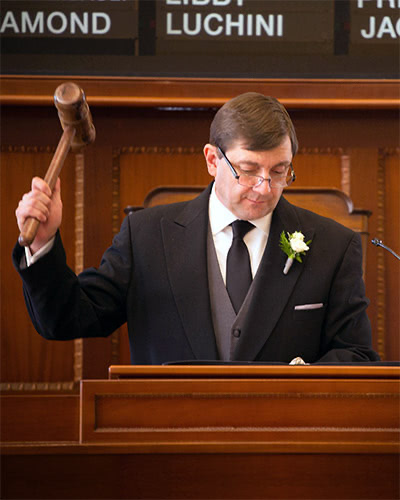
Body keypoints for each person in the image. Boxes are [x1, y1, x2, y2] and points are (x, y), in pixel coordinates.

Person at [13, 93, 380, 364]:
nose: (265, 187)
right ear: (211, 159)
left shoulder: (334, 244)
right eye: (249, 170)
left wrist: (310, 377)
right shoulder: (146, 236)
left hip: (284, 446)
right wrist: (42, 244)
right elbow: (65, 319)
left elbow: (358, 353)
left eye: (280, 171)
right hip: (169, 445)